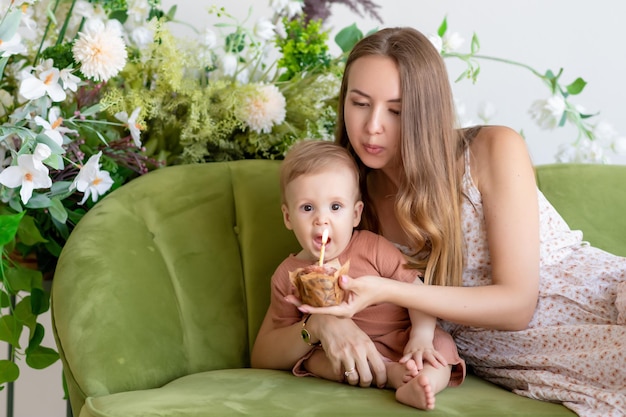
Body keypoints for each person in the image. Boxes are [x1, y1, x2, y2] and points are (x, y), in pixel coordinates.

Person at [285, 27, 626, 417]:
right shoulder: (346, 201)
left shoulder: (491, 149)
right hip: (524, 357)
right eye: (360, 103)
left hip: (597, 297)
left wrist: (387, 290)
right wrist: (324, 327)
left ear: (426, 111)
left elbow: (516, 305)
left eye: (396, 110)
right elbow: (317, 294)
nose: (372, 125)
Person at [251, 140, 466, 410]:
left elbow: (416, 292)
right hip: (343, 355)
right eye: (307, 208)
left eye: (335, 207)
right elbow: (267, 352)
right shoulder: (288, 275)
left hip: (401, 337)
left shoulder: (373, 247)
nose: (322, 220)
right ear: (287, 217)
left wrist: (420, 337)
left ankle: (425, 383)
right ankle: (391, 376)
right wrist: (312, 330)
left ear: (355, 214)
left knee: (439, 346)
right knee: (314, 360)